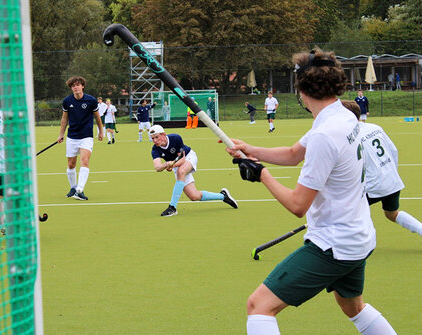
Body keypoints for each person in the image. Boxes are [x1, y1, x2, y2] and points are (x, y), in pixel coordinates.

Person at [227, 48, 396, 335]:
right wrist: (251, 150)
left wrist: (261, 174)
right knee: (353, 307)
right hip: (358, 237)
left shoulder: (324, 134)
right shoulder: (342, 115)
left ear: (301, 90)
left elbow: (297, 205)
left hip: (334, 244)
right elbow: (294, 154)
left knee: (259, 306)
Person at [342, 100, 422, 237]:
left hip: (373, 185)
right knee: (392, 214)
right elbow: (393, 151)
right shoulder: (375, 127)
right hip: (392, 180)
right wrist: (391, 173)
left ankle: (353, 243)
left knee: (345, 213)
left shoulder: (349, 137)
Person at [149, 125, 238, 217]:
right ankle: (223, 196)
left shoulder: (175, 138)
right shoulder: (155, 150)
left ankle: (172, 207)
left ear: (163, 134)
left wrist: (172, 164)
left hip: (188, 157)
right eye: (152, 138)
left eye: (157, 137)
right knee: (194, 196)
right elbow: (157, 167)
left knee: (181, 171)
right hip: (175, 164)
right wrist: (167, 164)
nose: (155, 140)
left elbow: (182, 159)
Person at [58, 76, 104, 201]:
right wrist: (61, 134)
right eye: (73, 86)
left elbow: (97, 117)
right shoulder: (67, 101)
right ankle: (73, 188)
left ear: (82, 86)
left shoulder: (91, 100)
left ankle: (80, 190)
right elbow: (64, 119)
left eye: (78, 85)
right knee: (71, 164)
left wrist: (101, 131)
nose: (75, 87)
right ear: (71, 88)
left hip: (86, 137)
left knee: (84, 161)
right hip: (72, 137)